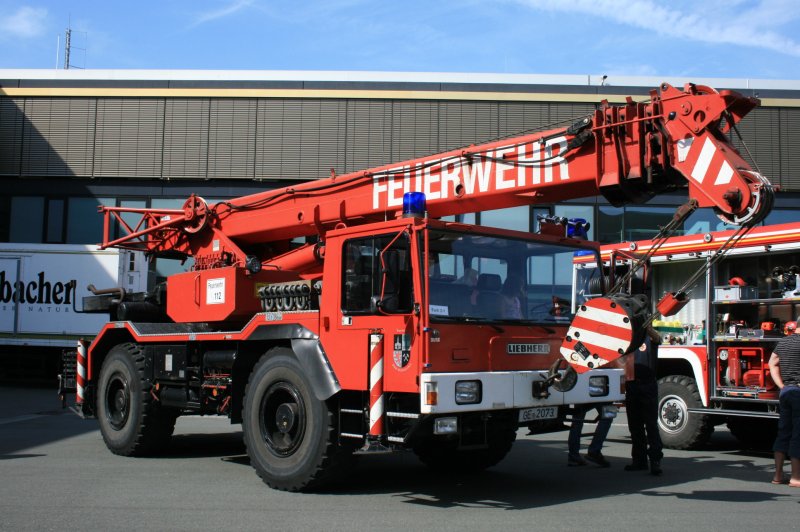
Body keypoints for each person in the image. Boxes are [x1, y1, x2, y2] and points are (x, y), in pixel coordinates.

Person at [625, 326, 664, 475]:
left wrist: (645, 324)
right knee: (635, 426)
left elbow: (657, 338)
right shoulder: (628, 338)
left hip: (647, 385)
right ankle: (639, 460)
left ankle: (655, 460)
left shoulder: (649, 337)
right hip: (632, 384)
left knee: (651, 425)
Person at [768, 320, 800, 487]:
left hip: (786, 391)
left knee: (784, 432)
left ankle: (778, 475)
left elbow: (772, 363)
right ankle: (796, 477)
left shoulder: (784, 341)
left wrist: (781, 385)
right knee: (798, 435)